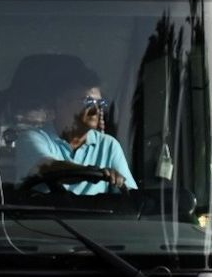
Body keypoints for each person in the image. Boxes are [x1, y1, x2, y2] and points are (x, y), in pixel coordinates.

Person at [11, 63, 137, 196]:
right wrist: (94, 172)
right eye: (88, 102)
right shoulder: (32, 138)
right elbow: (48, 167)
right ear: (60, 104)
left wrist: (117, 180)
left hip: (97, 216)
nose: (96, 110)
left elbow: (129, 193)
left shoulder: (109, 145)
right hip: (47, 216)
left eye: (100, 103)